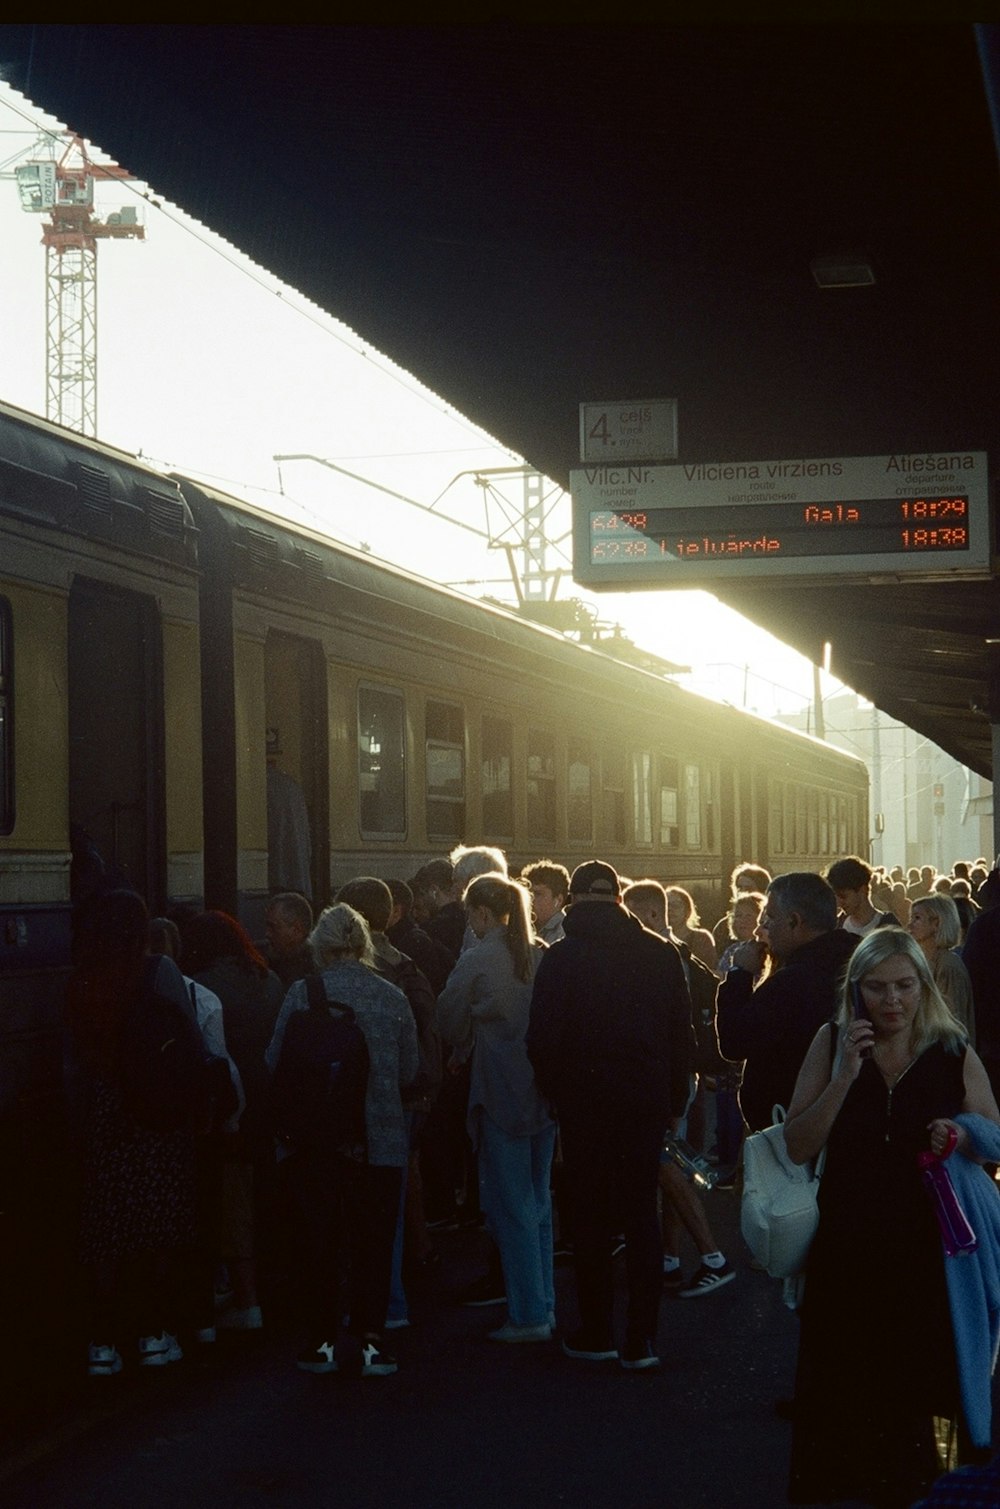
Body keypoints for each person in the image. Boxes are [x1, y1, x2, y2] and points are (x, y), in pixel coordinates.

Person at [783, 928, 1000, 1508]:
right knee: (843, 1388)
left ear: (924, 987)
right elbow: (798, 1145)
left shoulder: (952, 1049)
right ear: (856, 992)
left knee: (916, 1388)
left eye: (905, 985)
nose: (892, 1001)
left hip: (926, 1249)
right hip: (847, 1244)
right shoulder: (831, 1043)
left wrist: (957, 1134)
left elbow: (992, 1139)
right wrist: (844, 1078)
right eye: (876, 988)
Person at [527, 861, 693, 1370]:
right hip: (644, 1103)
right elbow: (681, 1038)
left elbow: (541, 1040)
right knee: (641, 1212)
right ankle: (641, 1339)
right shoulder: (660, 954)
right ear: (620, 899)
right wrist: (674, 1103)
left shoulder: (561, 958)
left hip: (584, 1105)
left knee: (590, 1217)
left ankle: (596, 1330)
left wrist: (556, 1092)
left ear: (574, 900)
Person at [266, 903, 418, 1378]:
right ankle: (373, 1344)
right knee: (374, 1243)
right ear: (363, 946)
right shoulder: (392, 996)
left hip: (317, 1143)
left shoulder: (302, 993)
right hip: (380, 1143)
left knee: (322, 1241)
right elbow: (411, 1070)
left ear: (320, 947)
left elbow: (275, 1062)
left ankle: (322, 1343)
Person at [66, 890, 198, 1376]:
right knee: (154, 1226)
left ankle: (103, 1342)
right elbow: (185, 1038)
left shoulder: (81, 979)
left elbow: (71, 1062)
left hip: (105, 1113)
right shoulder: (157, 970)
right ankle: (153, 1334)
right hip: (153, 1113)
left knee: (106, 1229)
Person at [436, 873, 556, 1341]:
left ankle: (526, 1314)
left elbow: (448, 1015)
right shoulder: (541, 953)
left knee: (510, 1204)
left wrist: (466, 1036)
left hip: (500, 1087)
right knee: (540, 1200)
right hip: (542, 1092)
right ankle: (545, 1302)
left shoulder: (478, 958)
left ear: (482, 913)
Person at [622, 881, 735, 1298]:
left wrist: (676, 1089)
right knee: (664, 1165)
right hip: (672, 1078)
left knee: (666, 1164)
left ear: (652, 915)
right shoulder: (672, 956)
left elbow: (672, 1029)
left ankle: (711, 1256)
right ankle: (670, 1256)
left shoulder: (659, 956)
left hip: (666, 1080)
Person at [181, 911, 285, 1332]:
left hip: (233, 1109)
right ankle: (268, 1288)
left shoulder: (202, 988)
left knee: (231, 1203)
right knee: (264, 1195)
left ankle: (234, 1295)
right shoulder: (271, 980)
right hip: (270, 1101)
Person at [716, 872, 857, 1133]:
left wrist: (739, 976)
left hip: (788, 1128)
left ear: (794, 921)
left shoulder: (792, 981)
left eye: (769, 918)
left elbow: (733, 1042)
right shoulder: (855, 959)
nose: (761, 929)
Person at [908, 894, 976, 1045]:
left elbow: (954, 1021)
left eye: (917, 918)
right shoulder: (923, 961)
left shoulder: (948, 965)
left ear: (936, 923)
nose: (910, 925)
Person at [825, 855, 896, 937]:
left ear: (862, 890)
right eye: (836, 897)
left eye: (843, 896)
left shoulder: (889, 928)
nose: (839, 904)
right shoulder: (835, 928)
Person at [260, 892, 315, 990]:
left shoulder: (315, 971)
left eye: (273, 927)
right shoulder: (261, 960)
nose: (267, 934)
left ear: (296, 930)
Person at [665, 886, 718, 974]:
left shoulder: (701, 938)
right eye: (666, 905)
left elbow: (709, 970)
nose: (670, 909)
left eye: (675, 905)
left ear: (687, 910)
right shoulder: (656, 938)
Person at [521, 859, 571, 945]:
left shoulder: (564, 932)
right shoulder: (528, 928)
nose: (530, 899)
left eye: (538, 894)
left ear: (558, 900)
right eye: (528, 893)